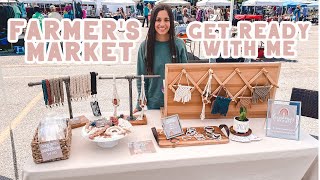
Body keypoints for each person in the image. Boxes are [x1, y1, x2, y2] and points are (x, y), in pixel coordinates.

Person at [135, 4, 188, 112]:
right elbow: (141, 78)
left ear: (171, 22)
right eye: (158, 20)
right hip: (153, 105)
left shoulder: (179, 45)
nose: (162, 24)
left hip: (176, 104)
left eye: (166, 20)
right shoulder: (144, 46)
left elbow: (186, 77)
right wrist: (139, 103)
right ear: (153, 21)